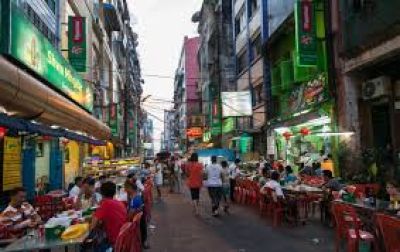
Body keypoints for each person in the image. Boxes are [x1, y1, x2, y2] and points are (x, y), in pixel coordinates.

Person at [92, 181, 127, 248]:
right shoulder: (118, 202)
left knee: (89, 245)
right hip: (123, 236)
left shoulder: (106, 204)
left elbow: (93, 226)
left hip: (114, 239)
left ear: (102, 193)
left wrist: (94, 214)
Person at [124, 180, 149, 249]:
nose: (124, 189)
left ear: (130, 189)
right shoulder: (136, 196)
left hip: (135, 223)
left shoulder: (134, 200)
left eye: (126, 188)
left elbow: (130, 215)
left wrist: (125, 221)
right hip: (141, 223)